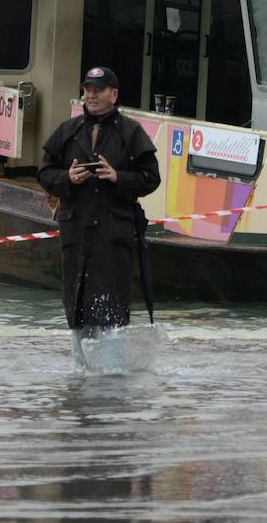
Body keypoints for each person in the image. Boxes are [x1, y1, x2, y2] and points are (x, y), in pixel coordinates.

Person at [38, 66, 161, 371]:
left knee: (113, 309)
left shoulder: (130, 132)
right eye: (87, 90)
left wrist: (118, 177)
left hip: (113, 233)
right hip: (76, 233)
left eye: (98, 90)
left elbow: (151, 178)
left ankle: (114, 381)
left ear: (113, 94)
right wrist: (67, 178)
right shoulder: (68, 131)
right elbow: (44, 173)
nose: (91, 96)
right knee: (77, 305)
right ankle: (81, 376)